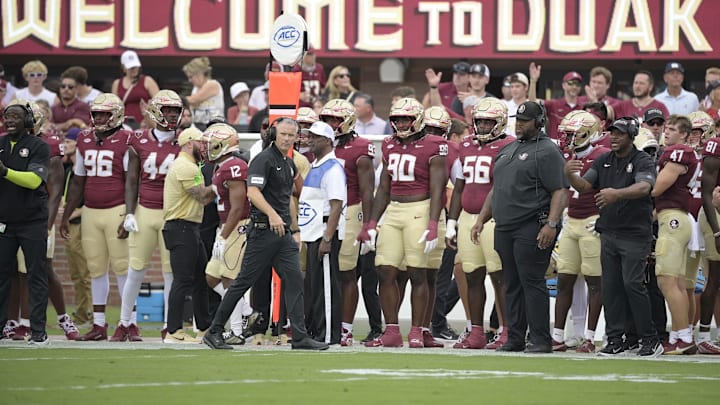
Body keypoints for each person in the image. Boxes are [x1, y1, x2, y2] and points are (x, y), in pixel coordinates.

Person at [202, 117, 329, 351]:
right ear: (273, 134)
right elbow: (253, 192)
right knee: (242, 283)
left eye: (292, 135)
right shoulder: (263, 160)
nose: (288, 138)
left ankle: (299, 336)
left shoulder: (288, 163)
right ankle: (215, 331)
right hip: (262, 231)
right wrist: (272, 215)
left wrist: (295, 228)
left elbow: (292, 196)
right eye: (283, 134)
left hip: (282, 235)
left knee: (295, 281)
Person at [471, 101, 568, 353]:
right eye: (518, 120)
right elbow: (496, 189)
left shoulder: (548, 150)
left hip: (532, 224)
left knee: (532, 282)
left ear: (539, 122)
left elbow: (560, 189)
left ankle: (540, 339)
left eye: (525, 121)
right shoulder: (508, 149)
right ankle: (514, 337)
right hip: (504, 226)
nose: (520, 125)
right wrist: (481, 218)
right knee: (510, 283)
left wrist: (551, 224)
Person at [565, 116, 663, 357]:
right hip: (608, 231)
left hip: (634, 233)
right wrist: (568, 174)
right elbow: (584, 186)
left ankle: (650, 339)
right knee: (611, 287)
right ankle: (615, 339)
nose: (614, 137)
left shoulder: (642, 160)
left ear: (632, 135)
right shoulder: (603, 159)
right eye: (612, 133)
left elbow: (644, 187)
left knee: (632, 284)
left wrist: (616, 194)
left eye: (619, 133)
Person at [360, 98, 447, 348]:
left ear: (417, 119)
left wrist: (433, 223)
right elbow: (384, 188)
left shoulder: (435, 144)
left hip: (419, 208)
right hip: (395, 210)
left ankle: (418, 329)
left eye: (405, 119)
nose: (400, 123)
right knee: (385, 270)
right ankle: (392, 330)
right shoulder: (388, 144)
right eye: (397, 119)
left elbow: (438, 187)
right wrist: (372, 223)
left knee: (417, 271)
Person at [110, 90, 184, 342]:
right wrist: (129, 212)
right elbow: (131, 180)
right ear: (155, 112)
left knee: (169, 272)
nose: (172, 115)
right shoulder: (139, 139)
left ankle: (169, 325)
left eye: (175, 110)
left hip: (172, 213)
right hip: (145, 210)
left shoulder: (185, 140)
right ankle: (125, 322)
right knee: (136, 269)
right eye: (167, 110)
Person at [60, 94, 132, 341]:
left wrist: (130, 214)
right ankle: (99, 325)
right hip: (90, 211)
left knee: (123, 268)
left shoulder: (126, 138)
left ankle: (128, 323)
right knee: (96, 269)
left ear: (117, 115)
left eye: (105, 114)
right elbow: (78, 181)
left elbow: (133, 181)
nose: (100, 118)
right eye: (97, 113)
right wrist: (66, 214)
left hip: (117, 208)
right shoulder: (83, 138)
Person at [447, 98, 514, 349]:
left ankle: (507, 330)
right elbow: (458, 186)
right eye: (480, 121)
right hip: (467, 217)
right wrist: (452, 221)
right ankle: (476, 331)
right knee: (472, 276)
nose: (484, 126)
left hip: (496, 219)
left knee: (500, 277)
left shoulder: (508, 145)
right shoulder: (465, 145)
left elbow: (501, 187)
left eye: (489, 121)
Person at [319, 99, 378, 345]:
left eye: (335, 119)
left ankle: (345, 328)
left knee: (346, 273)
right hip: (321, 211)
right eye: (327, 120)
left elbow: (367, 191)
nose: (331, 125)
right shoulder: (320, 146)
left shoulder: (360, 148)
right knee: (322, 272)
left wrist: (368, 225)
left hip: (350, 211)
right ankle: (324, 323)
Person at [552, 110, 609, 353]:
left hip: (591, 221)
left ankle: (589, 336)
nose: (568, 140)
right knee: (564, 279)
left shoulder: (602, 155)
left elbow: (603, 189)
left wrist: (604, 220)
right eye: (566, 135)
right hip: (571, 220)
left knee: (595, 282)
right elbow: (562, 190)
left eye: (574, 135)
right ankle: (558, 336)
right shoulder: (566, 155)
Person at [203, 123, 260, 345]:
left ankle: (236, 331)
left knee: (229, 279)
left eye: (211, 144)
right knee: (211, 276)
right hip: (227, 226)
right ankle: (247, 311)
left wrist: (223, 236)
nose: (207, 148)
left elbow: (237, 208)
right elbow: (211, 194)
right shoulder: (221, 166)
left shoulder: (234, 166)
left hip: (237, 226)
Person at [0, 102, 51, 345]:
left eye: (15, 117)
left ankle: (38, 331)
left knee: (36, 275)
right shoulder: (0, 144)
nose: (9, 121)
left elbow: (33, 180)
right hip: (4, 222)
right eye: (6, 117)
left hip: (32, 221)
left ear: (28, 122)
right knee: (1, 275)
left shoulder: (39, 146)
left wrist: (5, 172)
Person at [161, 127, 215, 343]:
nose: (204, 147)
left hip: (189, 228)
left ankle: (203, 327)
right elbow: (202, 196)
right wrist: (221, 185)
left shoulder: (190, 165)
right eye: (202, 143)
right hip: (181, 227)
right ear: (190, 143)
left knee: (201, 279)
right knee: (183, 280)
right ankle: (173, 331)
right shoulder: (186, 167)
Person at [651, 114, 698, 354]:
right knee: (677, 282)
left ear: (684, 135)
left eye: (671, 129)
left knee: (667, 281)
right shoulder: (677, 153)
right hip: (674, 217)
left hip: (674, 220)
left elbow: (658, 187)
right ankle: (682, 335)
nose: (666, 132)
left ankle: (683, 337)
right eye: (666, 128)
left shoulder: (679, 152)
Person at [298, 121, 347, 344]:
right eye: (309, 136)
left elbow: (336, 205)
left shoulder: (332, 168)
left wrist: (327, 238)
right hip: (313, 231)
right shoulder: (317, 165)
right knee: (315, 286)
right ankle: (317, 331)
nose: (309, 140)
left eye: (315, 137)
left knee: (327, 286)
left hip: (324, 232)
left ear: (328, 141)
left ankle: (328, 335)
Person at [61, 128, 92, 326]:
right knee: (75, 273)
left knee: (85, 273)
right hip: (70, 225)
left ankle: (90, 314)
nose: (65, 144)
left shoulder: (85, 173)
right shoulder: (67, 170)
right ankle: (81, 315)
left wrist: (73, 213)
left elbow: (92, 201)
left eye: (69, 141)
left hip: (81, 224)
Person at [697, 120, 720, 354]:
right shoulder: (716, 145)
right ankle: (704, 334)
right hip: (716, 214)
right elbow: (706, 191)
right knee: (714, 277)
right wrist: (717, 230)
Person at [528, 64, 584, 140]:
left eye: (577, 84)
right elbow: (532, 102)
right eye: (571, 83)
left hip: (577, 146)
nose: (574, 86)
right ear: (563, 85)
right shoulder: (554, 104)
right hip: (556, 147)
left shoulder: (584, 106)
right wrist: (533, 81)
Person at [112, 50, 160, 126]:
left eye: (135, 66)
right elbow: (113, 106)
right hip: (123, 125)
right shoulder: (117, 83)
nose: (134, 69)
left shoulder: (148, 81)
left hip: (144, 124)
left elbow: (159, 102)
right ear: (123, 67)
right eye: (131, 67)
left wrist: (150, 118)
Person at [183, 57, 224, 129]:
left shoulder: (212, 84)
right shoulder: (195, 89)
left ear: (199, 74)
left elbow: (193, 100)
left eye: (191, 77)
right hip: (198, 126)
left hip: (215, 126)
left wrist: (174, 99)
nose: (189, 80)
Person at [51, 69, 91, 134]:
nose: (66, 89)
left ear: (76, 89)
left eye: (70, 87)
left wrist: (58, 126)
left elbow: (76, 127)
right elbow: (49, 127)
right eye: (63, 86)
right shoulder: (54, 108)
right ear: (59, 89)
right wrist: (67, 123)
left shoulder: (84, 106)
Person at [503, 72, 530, 137]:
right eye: (512, 86)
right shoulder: (504, 106)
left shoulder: (531, 106)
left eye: (517, 86)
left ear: (526, 87)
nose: (514, 89)